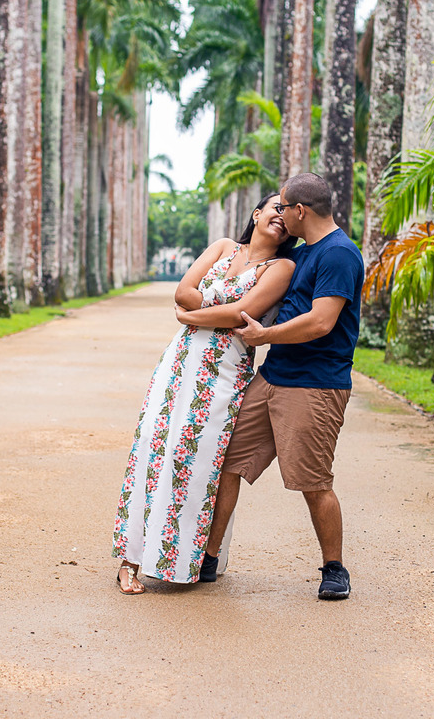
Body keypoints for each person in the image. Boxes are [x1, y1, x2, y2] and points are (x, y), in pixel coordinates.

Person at [112, 193, 297, 594]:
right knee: (152, 445)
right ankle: (130, 560)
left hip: (225, 373)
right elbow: (182, 291)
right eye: (275, 208)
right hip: (179, 362)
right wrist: (208, 308)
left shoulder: (282, 267)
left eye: (288, 211)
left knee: (194, 459)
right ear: (257, 213)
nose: (280, 216)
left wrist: (194, 313)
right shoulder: (224, 247)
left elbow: (239, 314)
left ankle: (180, 561)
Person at [199, 172, 364, 600]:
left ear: (300, 211)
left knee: (312, 481)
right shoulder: (306, 254)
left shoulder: (340, 254)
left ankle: (334, 569)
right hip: (273, 378)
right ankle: (209, 558)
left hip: (314, 386)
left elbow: (322, 321)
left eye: (283, 207)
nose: (279, 213)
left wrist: (264, 337)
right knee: (228, 463)